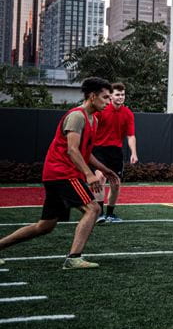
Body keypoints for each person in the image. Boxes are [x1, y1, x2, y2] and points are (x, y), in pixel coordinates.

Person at [0, 77, 121, 269]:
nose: (108, 101)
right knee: (94, 209)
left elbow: (85, 153)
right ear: (92, 96)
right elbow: (72, 150)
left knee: (45, 226)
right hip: (62, 173)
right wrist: (89, 175)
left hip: (59, 174)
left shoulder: (94, 120)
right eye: (105, 97)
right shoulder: (77, 116)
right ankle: (74, 258)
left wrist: (104, 169)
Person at [92, 82, 138, 223]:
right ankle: (99, 214)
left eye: (122, 95)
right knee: (99, 179)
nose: (120, 97)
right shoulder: (101, 111)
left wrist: (133, 153)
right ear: (111, 96)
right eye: (117, 94)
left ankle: (110, 214)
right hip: (98, 150)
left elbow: (130, 135)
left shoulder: (128, 113)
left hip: (116, 151)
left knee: (116, 183)